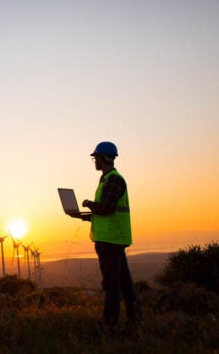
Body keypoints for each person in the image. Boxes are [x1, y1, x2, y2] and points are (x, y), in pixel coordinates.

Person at [72, 141, 143, 336]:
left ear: (104, 158)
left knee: (112, 284)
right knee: (125, 283)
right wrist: (82, 216)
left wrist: (88, 203)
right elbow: (103, 212)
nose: (94, 161)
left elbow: (106, 208)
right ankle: (135, 322)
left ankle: (108, 324)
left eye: (95, 158)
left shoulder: (114, 180)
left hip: (111, 241)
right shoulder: (106, 180)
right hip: (111, 240)